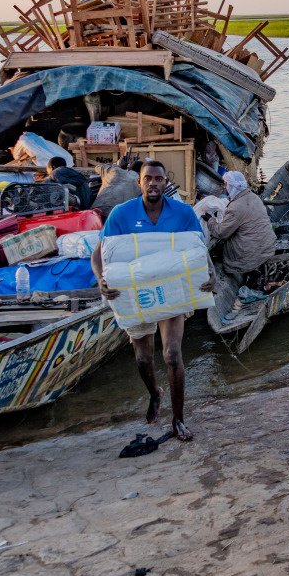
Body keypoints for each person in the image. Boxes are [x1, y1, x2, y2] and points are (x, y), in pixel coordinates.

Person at [90, 160, 211, 441]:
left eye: (159, 179)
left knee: (172, 355)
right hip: (136, 294)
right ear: (139, 183)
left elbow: (198, 248)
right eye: (148, 179)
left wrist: (211, 274)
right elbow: (99, 254)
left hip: (170, 289)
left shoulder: (182, 212)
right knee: (144, 358)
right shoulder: (121, 214)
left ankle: (178, 418)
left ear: (166, 181)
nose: (154, 183)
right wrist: (101, 279)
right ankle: (155, 394)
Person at [207, 170, 276, 280]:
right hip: (268, 248)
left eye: (226, 184)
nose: (225, 187)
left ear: (232, 186)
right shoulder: (254, 197)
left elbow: (220, 233)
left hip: (248, 259)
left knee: (222, 241)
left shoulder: (235, 207)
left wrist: (210, 220)